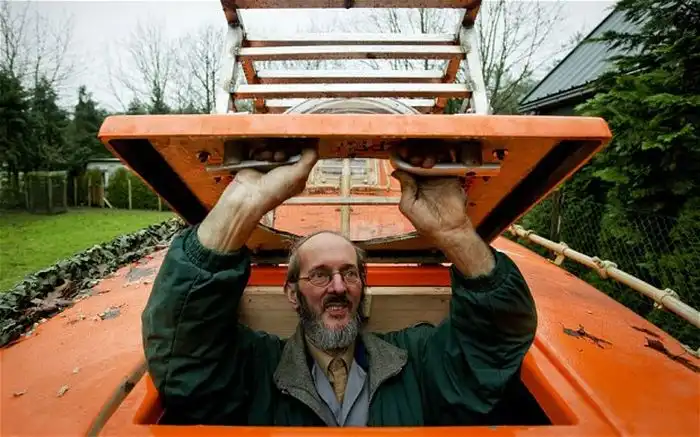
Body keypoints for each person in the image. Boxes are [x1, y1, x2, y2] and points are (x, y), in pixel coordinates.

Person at [141, 146, 537, 427]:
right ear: (292, 293)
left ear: (362, 288)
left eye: (350, 273)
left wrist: (454, 232)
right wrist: (242, 205)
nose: (337, 286)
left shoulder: (416, 360)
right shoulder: (255, 367)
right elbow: (183, 353)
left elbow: (497, 340)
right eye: (319, 274)